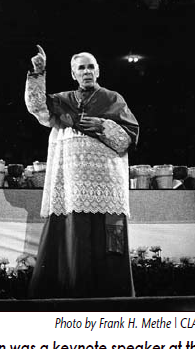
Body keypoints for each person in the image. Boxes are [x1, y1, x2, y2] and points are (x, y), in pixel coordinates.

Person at [24, 45, 139, 298]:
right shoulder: (63, 100)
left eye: (90, 67)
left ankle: (115, 297)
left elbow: (127, 138)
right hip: (71, 187)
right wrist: (39, 73)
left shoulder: (113, 99)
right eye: (81, 68)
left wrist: (102, 124)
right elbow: (38, 108)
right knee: (72, 237)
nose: (86, 72)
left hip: (107, 189)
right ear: (73, 74)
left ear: (98, 71)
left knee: (111, 240)